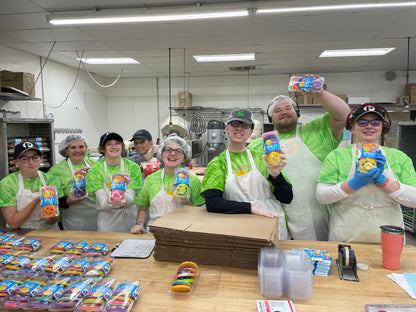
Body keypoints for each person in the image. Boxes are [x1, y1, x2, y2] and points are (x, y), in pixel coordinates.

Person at [248, 82, 350, 241]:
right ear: (271, 118)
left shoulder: (315, 131)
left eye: (288, 108)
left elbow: (343, 115)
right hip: (277, 216)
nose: (283, 112)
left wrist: (319, 93)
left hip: (317, 216)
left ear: (297, 113)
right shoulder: (259, 144)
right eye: (277, 110)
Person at [316, 103, 416, 243]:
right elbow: (322, 196)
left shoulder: (399, 158)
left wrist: (383, 181)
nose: (369, 126)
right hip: (345, 236)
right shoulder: (336, 157)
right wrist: (353, 184)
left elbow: (413, 200)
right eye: (362, 122)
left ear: (383, 128)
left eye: (375, 122)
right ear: (352, 128)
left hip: (389, 238)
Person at [202, 108, 293, 240]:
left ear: (250, 132)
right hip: (236, 227)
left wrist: (275, 175)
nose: (239, 128)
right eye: (235, 124)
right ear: (227, 128)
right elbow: (213, 203)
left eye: (245, 125)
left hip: (270, 224)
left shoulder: (263, 158)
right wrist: (252, 208)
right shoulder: (218, 164)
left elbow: (287, 198)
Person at [130, 134, 205, 234]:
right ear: (162, 154)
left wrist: (184, 200)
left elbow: (198, 214)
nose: (173, 154)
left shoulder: (193, 180)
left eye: (178, 151)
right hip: (154, 233)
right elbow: (143, 209)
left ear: (184, 158)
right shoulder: (151, 179)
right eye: (168, 150)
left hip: (183, 234)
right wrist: (139, 224)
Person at [86, 132, 142, 232]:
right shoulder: (94, 171)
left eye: (117, 143)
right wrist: (113, 201)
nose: (114, 147)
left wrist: (123, 193)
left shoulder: (133, 168)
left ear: (122, 146)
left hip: (129, 218)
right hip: (107, 220)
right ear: (102, 149)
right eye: (109, 144)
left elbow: (130, 200)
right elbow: (103, 204)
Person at [0, 141, 62, 230]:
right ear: (16, 161)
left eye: (35, 157)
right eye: (25, 159)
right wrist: (36, 201)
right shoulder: (7, 183)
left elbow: (53, 220)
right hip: (21, 233)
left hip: (49, 231)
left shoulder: (51, 180)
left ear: (40, 159)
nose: (31, 162)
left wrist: (51, 217)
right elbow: (13, 223)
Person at [47, 134, 98, 231]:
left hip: (96, 218)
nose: (78, 151)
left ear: (86, 148)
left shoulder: (95, 164)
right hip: (72, 221)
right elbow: (52, 200)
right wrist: (68, 201)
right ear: (66, 150)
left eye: (81, 147)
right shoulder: (56, 171)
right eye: (73, 147)